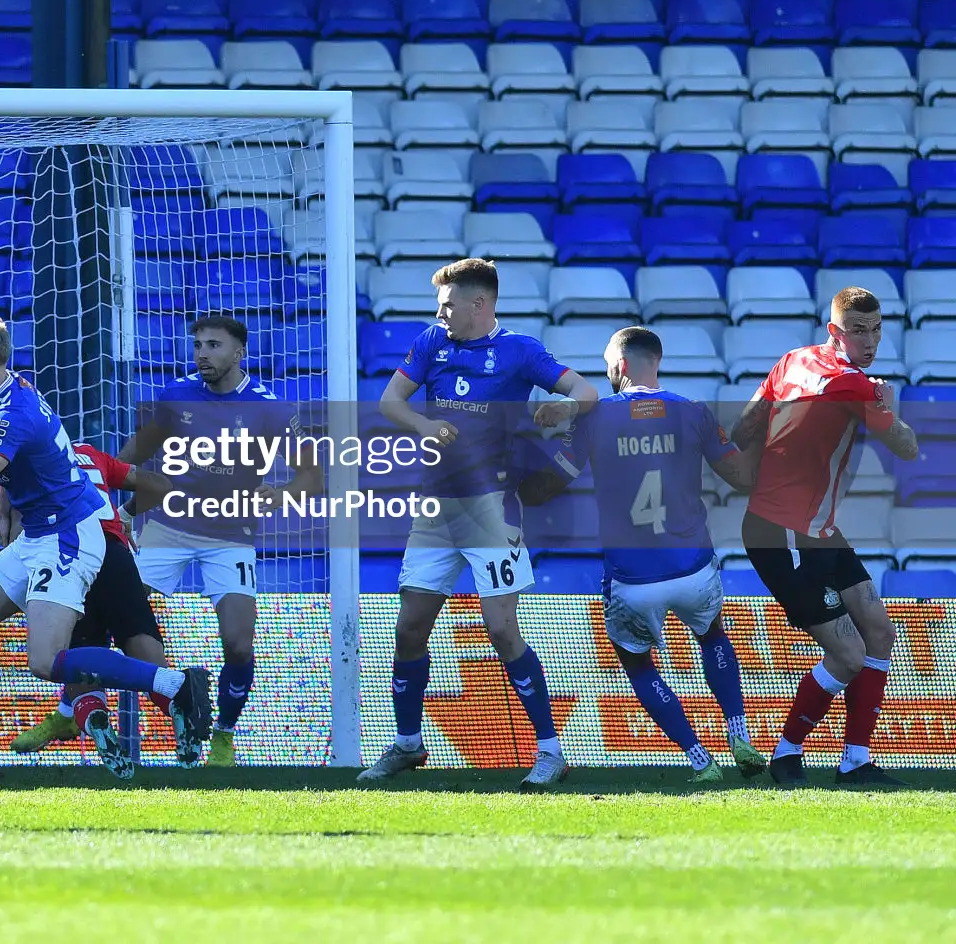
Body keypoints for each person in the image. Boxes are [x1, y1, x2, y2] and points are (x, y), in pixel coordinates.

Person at [0, 317, 216, 781]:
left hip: (69, 535)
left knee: (45, 661)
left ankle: (173, 686)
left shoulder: (12, 414)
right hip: (40, 534)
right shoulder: (3, 391)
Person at [361, 258, 602, 789]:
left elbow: (587, 394)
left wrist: (560, 413)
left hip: (494, 506)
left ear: (480, 303)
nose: (440, 313)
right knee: (408, 629)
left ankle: (549, 750)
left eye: (448, 304)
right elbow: (389, 401)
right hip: (435, 506)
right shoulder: (431, 342)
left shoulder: (520, 350)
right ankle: (407, 743)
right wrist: (424, 423)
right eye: (438, 305)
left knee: (500, 629)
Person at [553, 327, 766, 782]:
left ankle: (699, 760)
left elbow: (551, 483)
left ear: (622, 365)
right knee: (712, 635)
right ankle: (738, 731)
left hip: (632, 578)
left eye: (609, 361)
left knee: (636, 663)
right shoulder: (693, 412)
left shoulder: (594, 417)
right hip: (692, 567)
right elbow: (743, 478)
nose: (607, 370)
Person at [729, 288, 919, 789]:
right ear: (834, 330)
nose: (871, 339)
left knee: (880, 631)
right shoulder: (857, 385)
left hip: (814, 529)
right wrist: (885, 401)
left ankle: (856, 760)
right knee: (850, 654)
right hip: (783, 533)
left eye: (877, 329)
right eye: (859, 329)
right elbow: (907, 447)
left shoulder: (792, 360)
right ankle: (786, 754)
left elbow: (744, 427)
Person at [114, 313, 301, 767]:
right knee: (111, 614)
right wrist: (111, 495)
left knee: (238, 642)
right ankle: (74, 708)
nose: (202, 353)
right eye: (198, 345)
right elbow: (130, 456)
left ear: (239, 353)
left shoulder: (268, 406)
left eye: (214, 346)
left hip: (230, 536)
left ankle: (223, 735)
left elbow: (310, 477)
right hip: (167, 527)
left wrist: (279, 497)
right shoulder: (176, 396)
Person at [7, 438, 177, 776]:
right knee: (149, 659)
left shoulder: (17, 461)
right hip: (113, 551)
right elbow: (160, 485)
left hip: (66, 556)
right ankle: (181, 702)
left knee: (72, 661)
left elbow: (16, 532)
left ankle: (88, 716)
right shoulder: (88, 454)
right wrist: (124, 515)